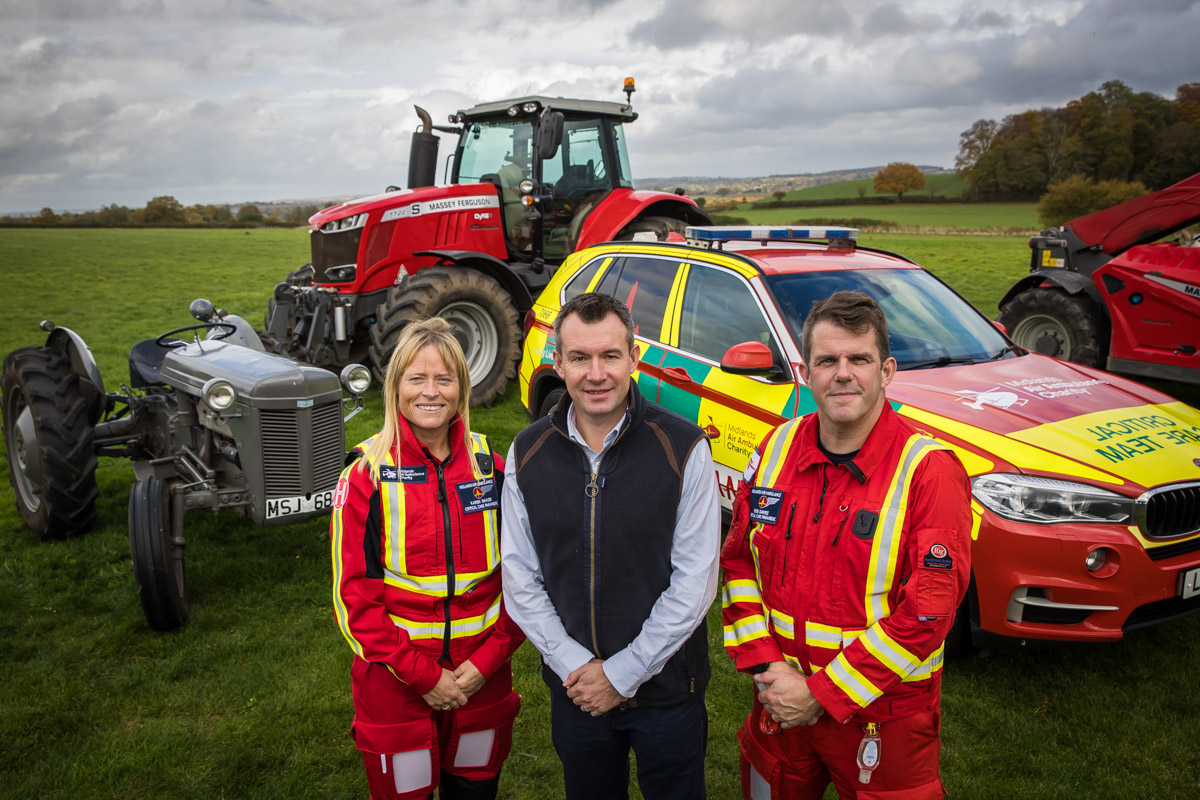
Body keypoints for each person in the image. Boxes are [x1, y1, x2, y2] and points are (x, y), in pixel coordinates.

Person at [721, 290, 971, 799]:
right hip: (779, 701)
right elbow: (738, 562)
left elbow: (929, 610)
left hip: (883, 717)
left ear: (887, 371)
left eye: (859, 359)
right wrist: (769, 668)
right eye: (827, 360)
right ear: (807, 371)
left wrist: (821, 694)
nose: (843, 373)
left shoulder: (929, 471)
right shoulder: (776, 448)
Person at [500, 292, 721, 800]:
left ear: (634, 358)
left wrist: (621, 675)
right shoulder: (526, 452)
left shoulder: (685, 448)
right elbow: (519, 576)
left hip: (667, 692)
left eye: (610, 356)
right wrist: (578, 668)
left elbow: (696, 581)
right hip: (576, 693)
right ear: (558, 362)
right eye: (579, 357)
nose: (595, 374)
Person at [330, 316, 525, 800]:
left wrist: (487, 660)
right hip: (396, 689)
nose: (430, 392)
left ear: (462, 387)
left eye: (444, 378)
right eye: (416, 378)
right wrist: (424, 677)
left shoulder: (493, 468)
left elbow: (527, 581)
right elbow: (355, 600)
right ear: (395, 387)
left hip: (483, 681)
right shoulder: (364, 475)